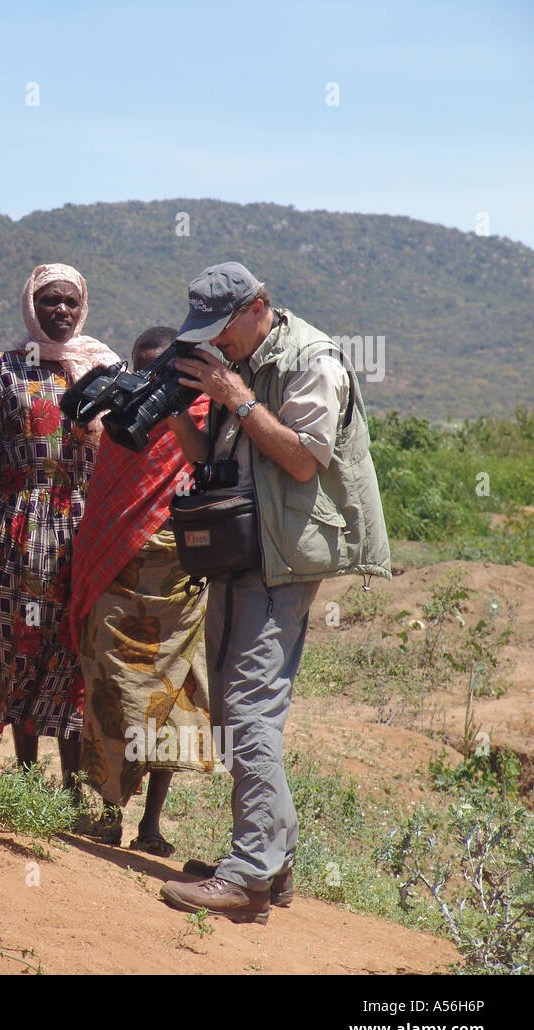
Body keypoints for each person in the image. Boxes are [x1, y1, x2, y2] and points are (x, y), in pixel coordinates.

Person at [158, 262, 391, 923]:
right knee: (235, 709)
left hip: (281, 559)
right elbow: (215, 458)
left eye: (221, 329)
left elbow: (299, 458)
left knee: (251, 707)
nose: (215, 342)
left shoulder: (311, 360)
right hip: (238, 550)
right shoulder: (246, 362)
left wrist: (237, 396)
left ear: (258, 307)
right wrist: (177, 415)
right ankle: (273, 862)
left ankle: (248, 878)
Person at [0, 264, 119, 797]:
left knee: (74, 652)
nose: (61, 311)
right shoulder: (2, 372)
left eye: (70, 302)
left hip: (84, 531)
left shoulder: (105, 371)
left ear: (84, 307)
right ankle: (28, 781)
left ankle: (73, 785)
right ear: (31, 304)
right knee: (18, 648)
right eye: (50, 301)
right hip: (15, 531)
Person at [64, 327, 214, 853]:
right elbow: (105, 509)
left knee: (168, 697)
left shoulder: (203, 418)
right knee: (111, 696)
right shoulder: (120, 419)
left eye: (166, 372)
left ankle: (151, 824)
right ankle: (107, 816)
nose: (155, 382)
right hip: (117, 581)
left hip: (178, 582)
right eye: (146, 370)